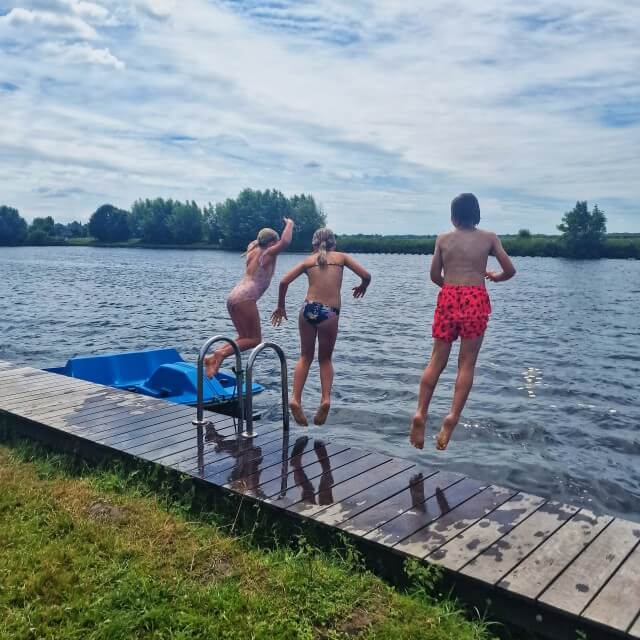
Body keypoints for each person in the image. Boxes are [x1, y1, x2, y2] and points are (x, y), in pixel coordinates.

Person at [409, 193, 516, 451]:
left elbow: (435, 274)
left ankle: (421, 412)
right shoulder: (489, 238)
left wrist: (450, 289)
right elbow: (510, 270)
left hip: (449, 295)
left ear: (453, 216)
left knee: (436, 360)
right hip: (476, 298)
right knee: (466, 364)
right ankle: (451, 418)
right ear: (476, 214)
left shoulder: (443, 239)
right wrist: (495, 277)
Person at [271, 228, 371, 426]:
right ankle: (325, 399)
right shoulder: (342, 257)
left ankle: (295, 399)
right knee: (324, 359)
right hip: (329, 312)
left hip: (308, 308)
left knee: (304, 356)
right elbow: (366, 275)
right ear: (334, 243)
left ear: (313, 245)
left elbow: (283, 282)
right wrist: (363, 287)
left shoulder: (308, 261)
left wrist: (281, 306)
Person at [205, 218, 294, 378]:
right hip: (246, 297)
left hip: (234, 296)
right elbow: (286, 240)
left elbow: (259, 240)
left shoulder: (252, 249)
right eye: (276, 242)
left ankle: (213, 357)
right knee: (254, 339)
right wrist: (290, 223)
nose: (278, 244)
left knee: (244, 337)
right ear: (272, 242)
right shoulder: (268, 252)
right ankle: (220, 354)